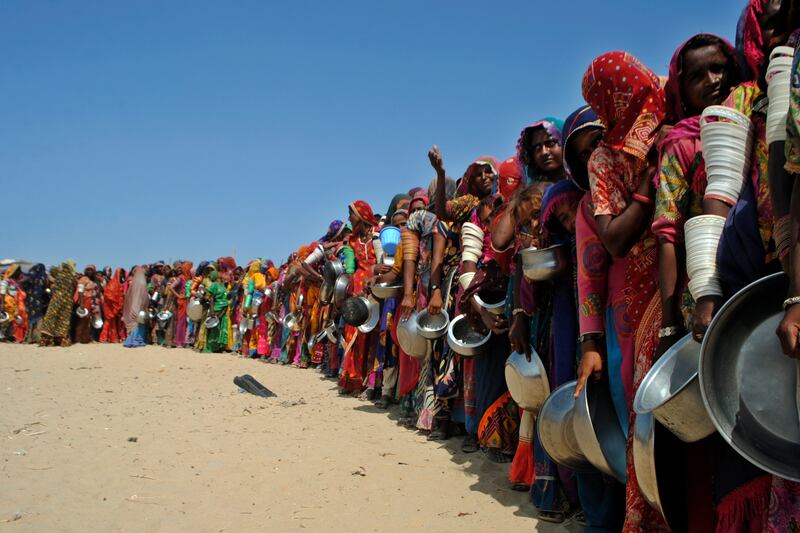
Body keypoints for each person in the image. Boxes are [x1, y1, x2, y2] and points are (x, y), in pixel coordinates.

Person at [575, 51, 667, 531]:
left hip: (690, 283)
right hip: (629, 311)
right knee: (643, 411)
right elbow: (595, 262)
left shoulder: (675, 123)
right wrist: (590, 342)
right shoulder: (605, 167)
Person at [39, 261, 78, 347]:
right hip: (67, 303)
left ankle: (46, 341)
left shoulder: (59, 276)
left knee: (51, 318)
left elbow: (52, 282)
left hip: (55, 301)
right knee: (63, 320)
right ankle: (62, 341)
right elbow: (75, 289)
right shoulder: (73, 278)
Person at [21, 263, 49, 344]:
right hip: (39, 300)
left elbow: (23, 284)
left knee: (30, 319)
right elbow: (45, 286)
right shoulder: (43, 276)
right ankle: (37, 338)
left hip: (30, 300)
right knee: (39, 318)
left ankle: (28, 338)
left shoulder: (30, 277)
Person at [122, 267, 149, 348]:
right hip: (140, 305)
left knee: (134, 320)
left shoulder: (133, 283)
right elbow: (145, 297)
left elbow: (128, 296)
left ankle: (131, 339)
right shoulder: (143, 283)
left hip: (133, 305)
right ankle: (138, 340)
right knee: (139, 320)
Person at [100, 268, 127, 343]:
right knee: (109, 321)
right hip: (112, 306)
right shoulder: (112, 283)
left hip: (121, 305)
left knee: (119, 322)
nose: (121, 275)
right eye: (120, 273)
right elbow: (107, 294)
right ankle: (104, 338)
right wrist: (115, 301)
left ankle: (117, 337)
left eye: (122, 273)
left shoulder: (124, 283)